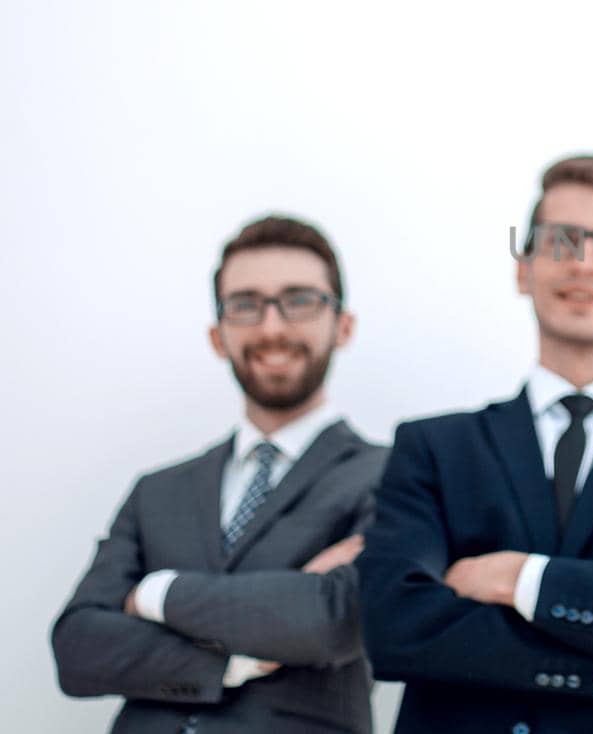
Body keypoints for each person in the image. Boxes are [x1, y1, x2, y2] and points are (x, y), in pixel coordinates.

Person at [357, 156, 593, 734]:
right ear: (523, 268)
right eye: (562, 241)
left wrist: (518, 578)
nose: (583, 263)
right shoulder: (432, 447)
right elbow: (394, 625)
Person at [52, 215, 389, 734]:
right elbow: (78, 648)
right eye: (246, 304)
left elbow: (336, 620)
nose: (272, 327)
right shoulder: (157, 491)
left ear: (343, 326)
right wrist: (234, 660)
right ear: (217, 335)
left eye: (299, 300)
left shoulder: (393, 475)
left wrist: (153, 594)